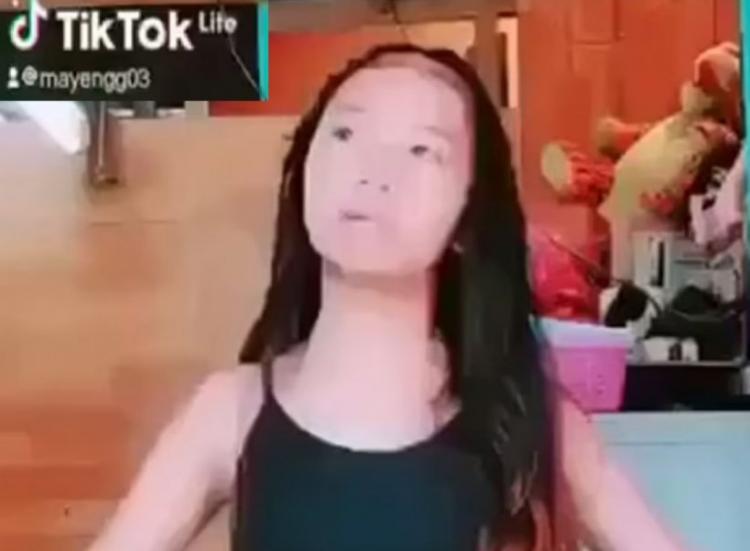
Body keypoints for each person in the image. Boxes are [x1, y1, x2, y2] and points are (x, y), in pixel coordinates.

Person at [89, 44, 693, 551]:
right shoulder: (230, 411)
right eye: (346, 132)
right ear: (303, 173)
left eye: (422, 150)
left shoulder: (531, 418)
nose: (373, 171)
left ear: (468, 217)